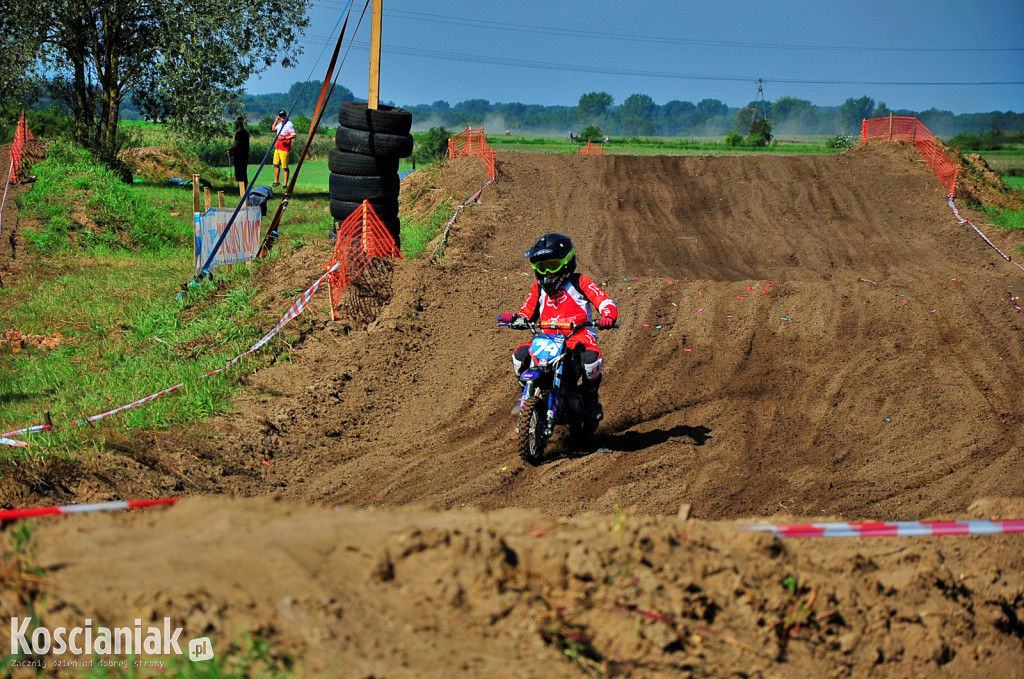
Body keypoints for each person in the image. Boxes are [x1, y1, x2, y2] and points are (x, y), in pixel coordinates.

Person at [499, 233, 618, 422]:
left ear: (567, 262)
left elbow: (603, 300)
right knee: (520, 355)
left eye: (552, 266)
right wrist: (517, 319)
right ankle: (525, 394)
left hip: (578, 337)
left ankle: (590, 399)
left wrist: (609, 316)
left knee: (591, 359)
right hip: (548, 340)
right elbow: (527, 311)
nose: (547, 273)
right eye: (541, 267)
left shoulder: (580, 283)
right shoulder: (538, 288)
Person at [272, 110, 296, 188]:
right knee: (275, 164)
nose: (282, 118)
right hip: (277, 147)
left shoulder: (290, 124)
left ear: (286, 116)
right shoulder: (279, 124)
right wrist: (276, 121)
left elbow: (293, 135)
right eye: (281, 116)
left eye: (283, 116)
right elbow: (273, 129)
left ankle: (285, 184)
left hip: (285, 148)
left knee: (285, 167)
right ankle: (276, 182)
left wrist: (284, 138)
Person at [226, 116, 250, 185]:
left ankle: (242, 189)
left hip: (239, 157)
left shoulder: (239, 133)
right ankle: (243, 188)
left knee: (239, 174)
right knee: (243, 173)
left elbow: (236, 145)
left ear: (238, 124)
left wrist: (230, 150)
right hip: (245, 156)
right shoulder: (246, 133)